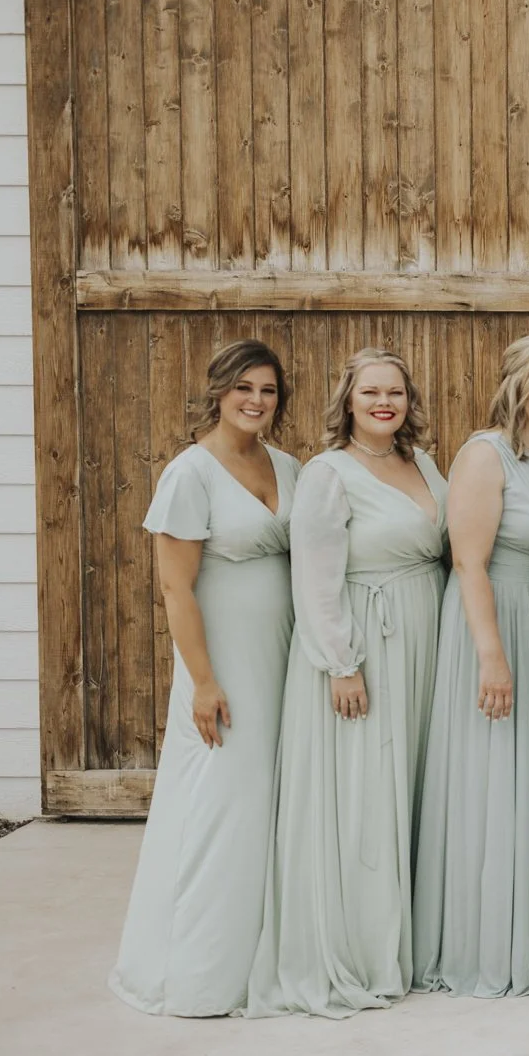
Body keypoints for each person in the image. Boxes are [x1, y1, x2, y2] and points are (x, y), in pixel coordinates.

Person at [248, 348, 449, 1018]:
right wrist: (341, 662)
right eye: (371, 393)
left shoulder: (423, 463)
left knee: (411, 784)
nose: (384, 403)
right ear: (349, 401)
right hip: (366, 641)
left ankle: (414, 935)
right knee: (366, 792)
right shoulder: (327, 473)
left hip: (424, 633)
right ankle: (360, 947)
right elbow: (314, 577)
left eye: (395, 392)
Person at [110, 340, 302, 1016]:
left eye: (268, 390)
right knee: (221, 803)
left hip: (282, 656)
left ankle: (264, 956)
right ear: (218, 392)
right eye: (244, 387)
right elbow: (175, 587)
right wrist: (203, 681)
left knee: (270, 801)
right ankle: (195, 970)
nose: (256, 400)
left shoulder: (287, 465)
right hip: (223, 664)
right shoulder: (189, 473)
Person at [413, 336, 529, 997]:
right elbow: (468, 561)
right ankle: (478, 943)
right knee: (491, 778)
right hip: (494, 623)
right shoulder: (487, 454)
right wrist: (491, 655)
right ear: (516, 383)